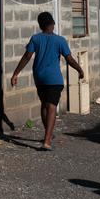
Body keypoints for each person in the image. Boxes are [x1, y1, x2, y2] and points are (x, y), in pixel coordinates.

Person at [10, 11, 85, 151]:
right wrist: (80, 70)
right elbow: (69, 59)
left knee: (44, 105)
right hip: (54, 79)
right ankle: (47, 140)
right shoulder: (60, 40)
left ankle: (48, 134)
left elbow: (27, 56)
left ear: (40, 25)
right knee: (52, 107)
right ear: (53, 24)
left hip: (39, 77)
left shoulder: (35, 38)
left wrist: (16, 73)